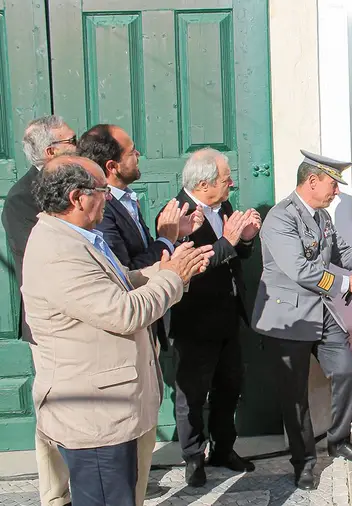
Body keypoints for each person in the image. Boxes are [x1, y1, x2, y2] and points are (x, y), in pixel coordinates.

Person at [22, 155, 211, 506]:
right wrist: (173, 277)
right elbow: (124, 312)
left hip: (116, 408)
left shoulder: (78, 235)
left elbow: (122, 282)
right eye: (101, 190)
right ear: (77, 198)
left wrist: (164, 269)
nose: (108, 197)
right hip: (95, 417)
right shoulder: (59, 252)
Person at [251, 150, 352, 490]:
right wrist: (344, 283)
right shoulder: (281, 218)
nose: (336, 191)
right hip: (286, 316)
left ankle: (338, 441)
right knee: (294, 395)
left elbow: (339, 252)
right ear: (312, 181)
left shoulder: (322, 217)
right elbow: (298, 269)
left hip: (319, 313)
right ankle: (304, 462)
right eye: (332, 184)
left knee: (346, 371)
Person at [164, 148, 261, 487]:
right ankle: (193, 457)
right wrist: (229, 240)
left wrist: (245, 241)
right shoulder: (177, 215)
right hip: (194, 321)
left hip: (228, 318)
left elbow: (232, 253)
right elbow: (192, 269)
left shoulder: (224, 207)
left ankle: (223, 448)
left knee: (229, 387)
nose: (232, 183)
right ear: (203, 184)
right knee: (192, 393)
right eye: (225, 179)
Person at [1, 116, 76, 506]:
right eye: (72, 139)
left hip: (91, 313)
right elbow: (40, 261)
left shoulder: (85, 182)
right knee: (54, 407)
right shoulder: (21, 199)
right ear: (51, 151)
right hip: (51, 323)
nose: (79, 144)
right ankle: (54, 494)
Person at [78, 124, 203, 269]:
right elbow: (125, 271)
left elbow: (145, 251)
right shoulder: (102, 208)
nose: (138, 154)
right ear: (112, 167)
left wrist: (175, 234)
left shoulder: (127, 198)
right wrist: (166, 239)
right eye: (131, 152)